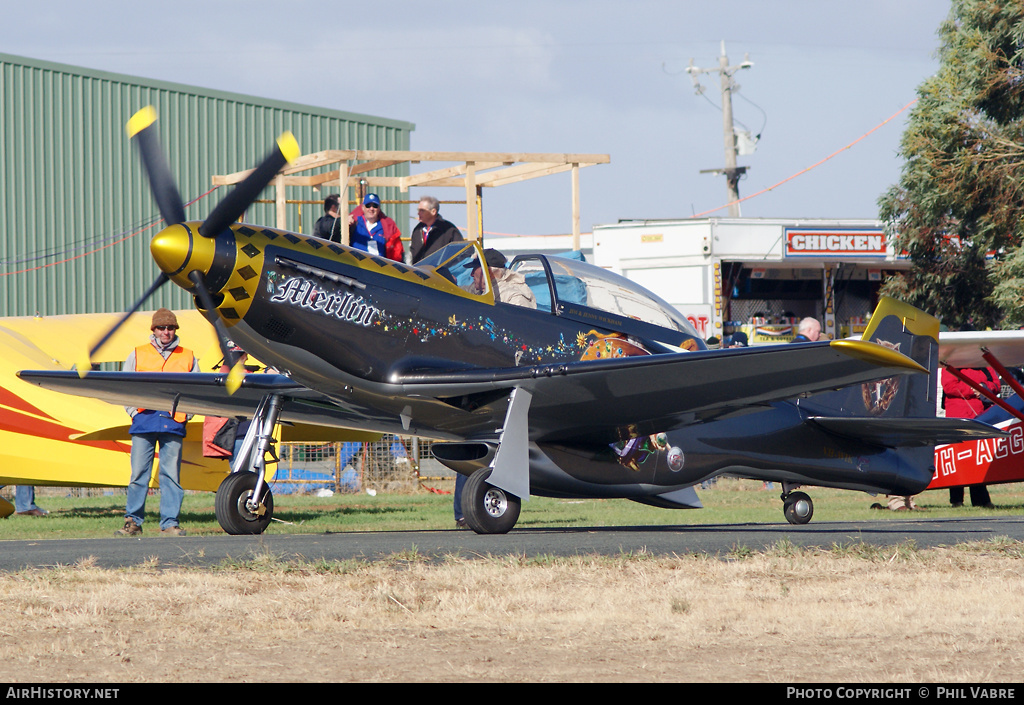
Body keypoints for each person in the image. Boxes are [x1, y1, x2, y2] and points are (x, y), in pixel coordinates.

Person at [116, 309, 199, 537]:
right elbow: (125, 387)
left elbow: (197, 391)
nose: (166, 332)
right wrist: (133, 412)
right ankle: (132, 522)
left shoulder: (188, 356)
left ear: (175, 330)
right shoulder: (137, 354)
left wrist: (186, 415)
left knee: (171, 476)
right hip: (143, 422)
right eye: (161, 328)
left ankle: (170, 524)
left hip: (173, 424)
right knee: (138, 475)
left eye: (170, 328)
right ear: (153, 330)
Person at [941, 366, 999, 508]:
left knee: (977, 460)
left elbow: (996, 385)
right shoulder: (953, 365)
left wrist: (983, 387)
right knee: (957, 459)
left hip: (981, 417)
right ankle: (956, 499)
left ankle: (981, 499)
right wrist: (973, 389)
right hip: (958, 417)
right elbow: (949, 386)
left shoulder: (984, 366)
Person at [466, 248, 537, 308]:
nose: (472, 274)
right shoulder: (483, 290)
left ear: (488, 272)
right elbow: (465, 291)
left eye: (475, 268)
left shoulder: (514, 298)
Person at [348, 193, 404, 261]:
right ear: (363, 207)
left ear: (379, 208)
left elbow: (396, 251)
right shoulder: (354, 223)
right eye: (368, 206)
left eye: (375, 206)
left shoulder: (387, 227)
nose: (371, 209)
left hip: (379, 268)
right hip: (357, 266)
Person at [410, 196, 463, 263]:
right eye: (418, 210)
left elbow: (460, 251)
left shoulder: (448, 229)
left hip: (440, 272)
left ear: (433, 211)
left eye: (422, 210)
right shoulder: (417, 230)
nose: (418, 213)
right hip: (420, 271)